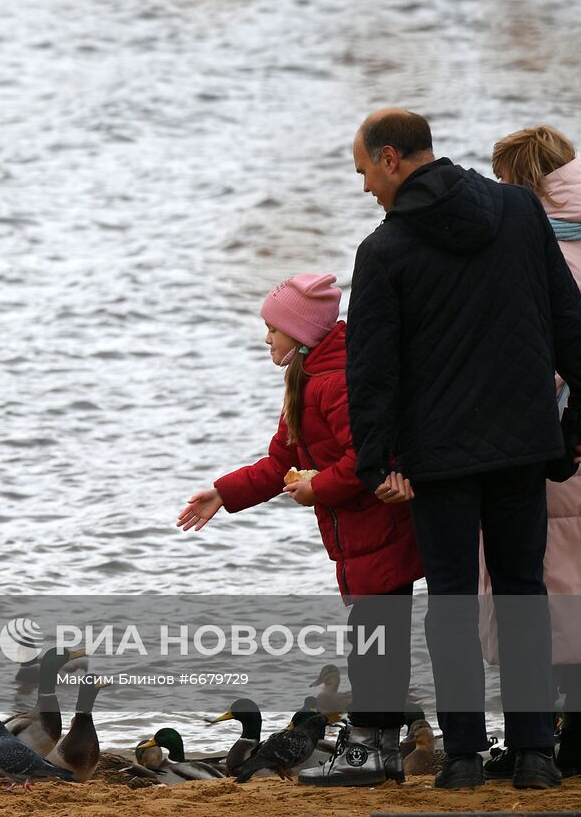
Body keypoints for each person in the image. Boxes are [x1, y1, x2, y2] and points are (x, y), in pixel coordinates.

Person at [344, 109, 581, 791]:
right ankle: (534, 754)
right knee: (524, 592)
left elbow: (371, 372)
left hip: (439, 459)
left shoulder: (384, 250)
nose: (366, 187)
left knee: (453, 603)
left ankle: (463, 754)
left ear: (394, 159)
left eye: (366, 171)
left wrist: (378, 465)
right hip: (522, 443)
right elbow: (565, 316)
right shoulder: (519, 211)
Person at [177, 273, 424, 787]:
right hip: (354, 539)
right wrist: (224, 493)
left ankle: (366, 753)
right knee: (375, 641)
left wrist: (320, 489)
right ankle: (381, 751)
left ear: (301, 332)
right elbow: (279, 461)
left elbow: (365, 461)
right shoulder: (306, 379)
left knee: (375, 643)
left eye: (273, 329)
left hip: (380, 531)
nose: (267, 338)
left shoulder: (338, 382)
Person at [478, 126, 581, 781]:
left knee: (542, 583)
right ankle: (576, 735)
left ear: (521, 180)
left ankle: (547, 736)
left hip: (554, 441)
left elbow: (536, 350)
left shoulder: (549, 250)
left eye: (501, 179)